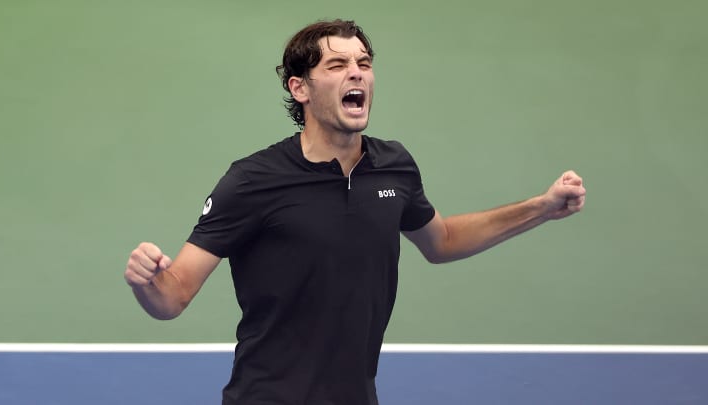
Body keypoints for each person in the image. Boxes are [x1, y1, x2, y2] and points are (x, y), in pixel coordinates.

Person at [124, 19, 586, 405]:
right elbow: (173, 296)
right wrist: (148, 281)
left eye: (364, 63)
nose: (357, 74)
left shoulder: (394, 167)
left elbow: (442, 240)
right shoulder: (254, 180)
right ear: (299, 88)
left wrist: (541, 207)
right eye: (338, 64)